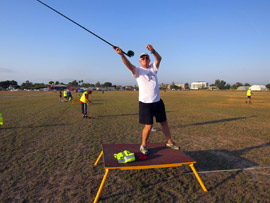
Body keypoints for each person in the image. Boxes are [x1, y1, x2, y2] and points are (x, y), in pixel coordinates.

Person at [114, 44, 180, 155]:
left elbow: (159, 59)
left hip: (158, 101)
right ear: (140, 61)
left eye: (146, 58)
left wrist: (153, 51)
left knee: (164, 122)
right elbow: (128, 65)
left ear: (149, 60)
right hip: (145, 103)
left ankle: (169, 142)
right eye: (142, 58)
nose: (145, 59)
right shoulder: (137, 71)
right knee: (148, 126)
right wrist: (121, 55)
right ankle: (143, 145)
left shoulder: (153, 68)